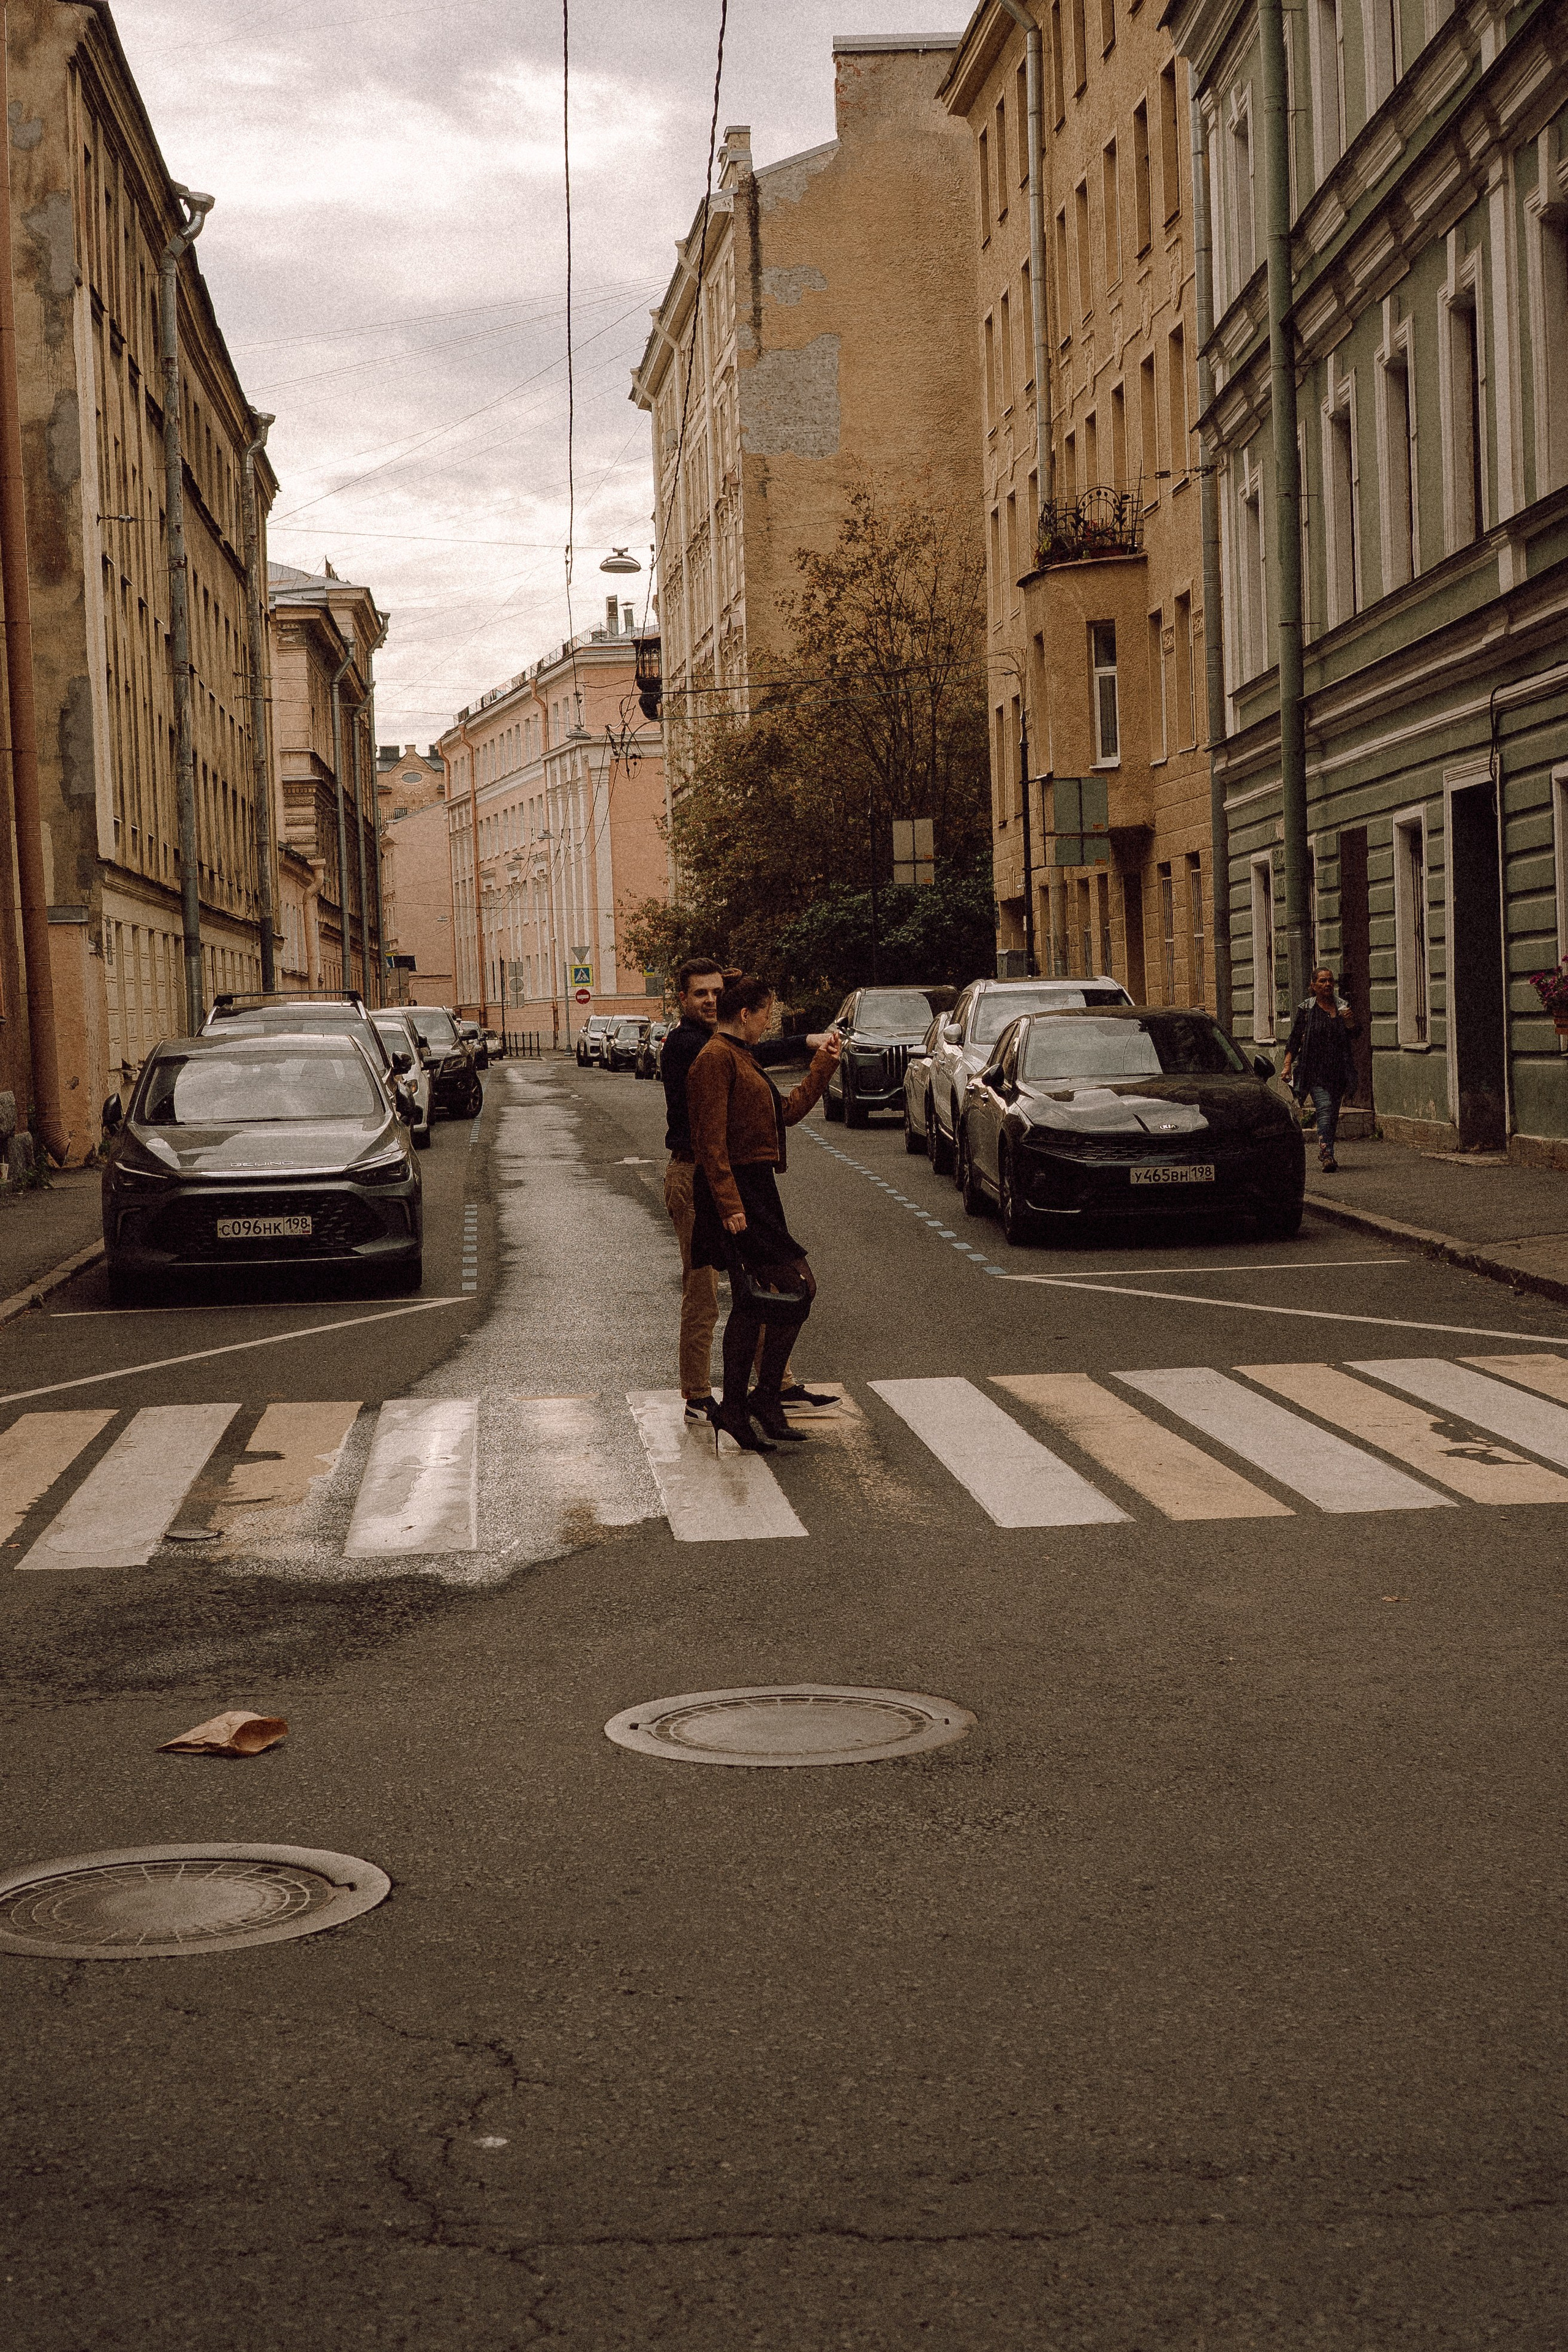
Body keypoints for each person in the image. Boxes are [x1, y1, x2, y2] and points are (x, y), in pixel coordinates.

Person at [687, 974, 841, 1453]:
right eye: (767, 1014)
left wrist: (822, 1067)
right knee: (796, 1288)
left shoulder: (742, 1056)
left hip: (756, 1189)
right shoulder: (715, 1058)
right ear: (747, 1014)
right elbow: (709, 1142)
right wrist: (730, 1206)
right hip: (735, 1193)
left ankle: (752, 1404)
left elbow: (787, 1113)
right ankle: (752, 1402)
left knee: (759, 1300)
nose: (768, 1024)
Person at [661, 958, 726, 1423]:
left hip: (717, 1174)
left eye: (717, 992)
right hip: (692, 1175)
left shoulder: (709, 1038)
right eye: (700, 994)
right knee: (702, 1289)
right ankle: (697, 1395)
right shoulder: (689, 1044)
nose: (711, 1001)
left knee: (760, 1274)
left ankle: (777, 1381)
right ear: (682, 999)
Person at [1282, 965, 1358, 1174]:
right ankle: (1327, 1155)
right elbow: (1294, 1038)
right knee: (1324, 1108)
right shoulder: (1307, 1010)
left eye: (1330, 981)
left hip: (1339, 1072)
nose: (1328, 985)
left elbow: (1355, 1034)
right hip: (1314, 1071)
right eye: (1323, 981)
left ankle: (1328, 1149)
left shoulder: (1342, 1007)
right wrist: (1287, 1065)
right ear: (1313, 986)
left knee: (1332, 1113)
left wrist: (1350, 1020)